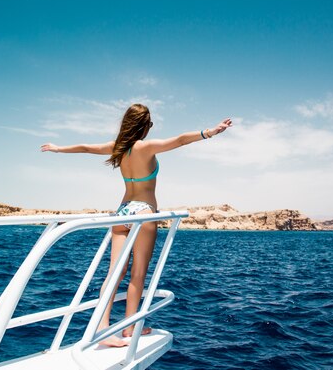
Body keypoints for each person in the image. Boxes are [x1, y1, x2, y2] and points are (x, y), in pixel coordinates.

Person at [41, 103, 232, 347]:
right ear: (144, 126)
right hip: (143, 212)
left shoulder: (117, 148)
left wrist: (58, 149)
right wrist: (211, 132)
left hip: (121, 213)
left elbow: (86, 147)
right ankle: (130, 327)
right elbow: (182, 140)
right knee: (138, 275)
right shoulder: (146, 147)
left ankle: (104, 329)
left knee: (114, 274)